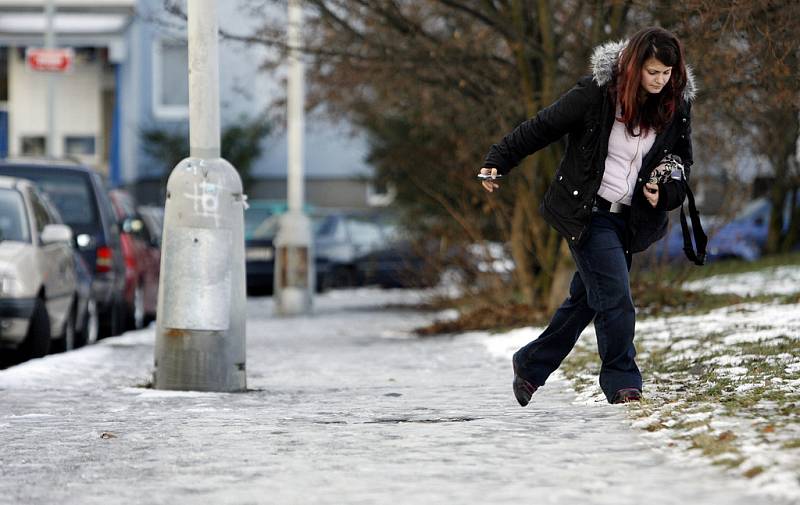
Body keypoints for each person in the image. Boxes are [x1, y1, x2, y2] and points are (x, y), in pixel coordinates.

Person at [479, 27, 697, 405]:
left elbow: (681, 161)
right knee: (615, 298)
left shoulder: (675, 106)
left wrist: (665, 192)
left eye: (667, 73)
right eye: (653, 72)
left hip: (630, 221)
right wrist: (498, 160)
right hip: (588, 213)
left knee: (586, 300)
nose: (661, 81)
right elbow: (543, 126)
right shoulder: (598, 94)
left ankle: (530, 364)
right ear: (633, 67)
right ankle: (622, 381)